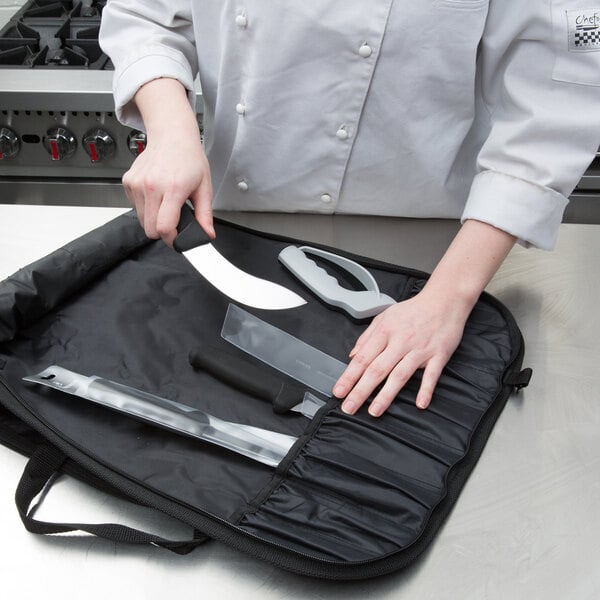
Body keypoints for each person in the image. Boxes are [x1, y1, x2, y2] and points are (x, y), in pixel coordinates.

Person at [99, 1, 600, 417]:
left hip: (435, 250)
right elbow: (146, 16)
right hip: (235, 221)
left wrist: (447, 297)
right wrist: (171, 131)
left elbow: (555, 102)